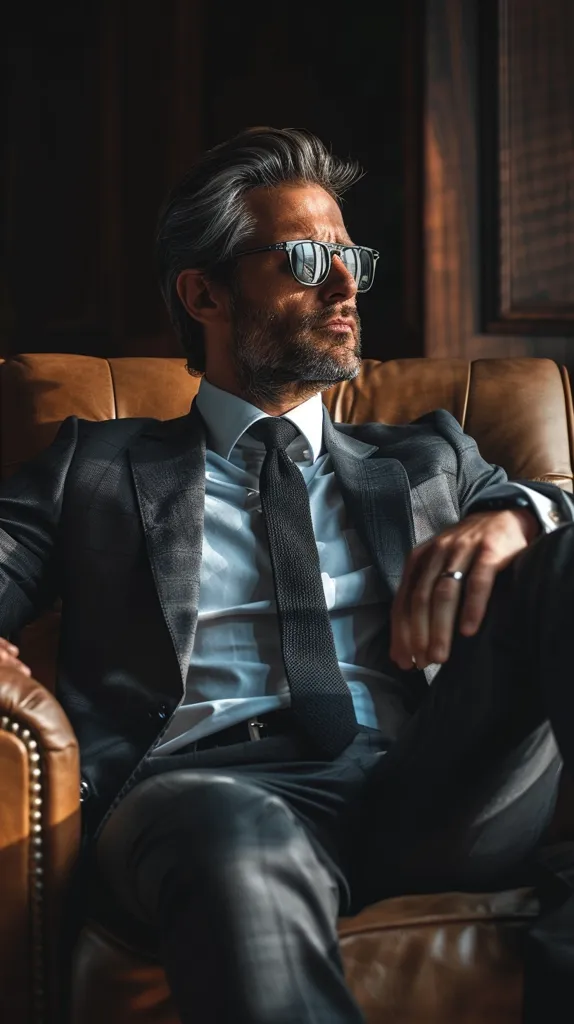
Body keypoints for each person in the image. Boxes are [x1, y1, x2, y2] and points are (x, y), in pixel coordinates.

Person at [1, 126, 574, 1024]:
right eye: (306, 259)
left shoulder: (429, 456)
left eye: (353, 259)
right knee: (230, 829)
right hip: (205, 794)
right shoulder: (96, 467)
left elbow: (556, 516)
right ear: (204, 293)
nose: (346, 286)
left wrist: (518, 518)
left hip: (427, 783)